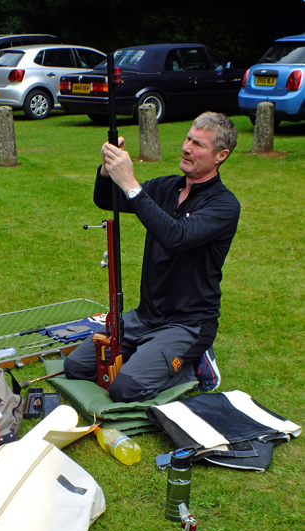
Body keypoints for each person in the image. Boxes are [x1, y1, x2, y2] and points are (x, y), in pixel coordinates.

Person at [64, 111, 240, 403]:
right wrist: (108, 171)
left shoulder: (223, 205)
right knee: (77, 366)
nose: (186, 147)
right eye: (188, 138)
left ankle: (194, 367)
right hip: (146, 316)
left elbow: (176, 236)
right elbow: (108, 200)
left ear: (221, 155)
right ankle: (149, 353)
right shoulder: (166, 187)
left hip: (189, 323)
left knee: (124, 388)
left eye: (198, 144)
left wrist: (131, 183)